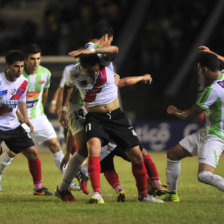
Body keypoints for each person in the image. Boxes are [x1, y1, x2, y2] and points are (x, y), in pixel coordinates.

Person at [56, 53, 164, 204]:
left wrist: (140, 77)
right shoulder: (73, 73)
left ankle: (144, 195)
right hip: (94, 118)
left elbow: (115, 50)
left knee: (137, 155)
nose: (95, 73)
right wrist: (63, 108)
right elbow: (67, 87)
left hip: (116, 117)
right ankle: (96, 193)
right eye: (91, 71)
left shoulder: (105, 63)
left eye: (96, 70)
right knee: (92, 148)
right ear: (83, 67)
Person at [0, 44, 78, 191]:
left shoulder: (42, 75)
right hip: (13, 120)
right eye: (32, 59)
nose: (35, 62)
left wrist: (33, 114)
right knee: (11, 152)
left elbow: (36, 96)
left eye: (38, 58)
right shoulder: (11, 78)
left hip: (33, 117)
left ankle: (65, 181)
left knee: (49, 147)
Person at [162, 52, 224, 202]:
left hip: (216, 136)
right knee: (173, 154)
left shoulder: (213, 90)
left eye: (200, 69)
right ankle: (172, 194)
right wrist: (212, 53)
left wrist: (175, 112)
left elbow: (189, 115)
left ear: (205, 69)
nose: (200, 72)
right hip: (207, 132)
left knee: (204, 175)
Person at [0, 50, 52, 195]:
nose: (20, 70)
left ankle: (38, 188)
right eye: (16, 66)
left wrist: (26, 119)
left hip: (13, 125)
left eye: (22, 66)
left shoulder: (23, 81)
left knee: (33, 152)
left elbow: (22, 100)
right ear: (8, 65)